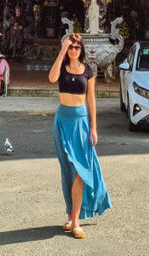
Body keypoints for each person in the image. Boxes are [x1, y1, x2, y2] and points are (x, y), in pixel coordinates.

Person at [48, 33, 111, 239]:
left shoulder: (88, 70)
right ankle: (71, 214)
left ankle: (76, 222)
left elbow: (91, 99)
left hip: (81, 122)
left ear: (81, 49)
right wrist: (61, 51)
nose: (74, 50)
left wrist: (94, 127)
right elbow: (51, 78)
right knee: (67, 169)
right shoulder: (62, 66)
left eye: (77, 47)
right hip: (63, 121)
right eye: (71, 47)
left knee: (80, 171)